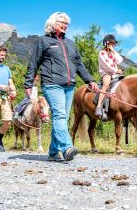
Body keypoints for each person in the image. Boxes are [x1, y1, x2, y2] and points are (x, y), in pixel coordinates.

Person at [24, 12, 98, 162]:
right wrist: (29, 83)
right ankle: (66, 147)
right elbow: (33, 63)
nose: (65, 25)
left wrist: (90, 80)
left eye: (67, 23)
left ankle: (53, 151)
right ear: (52, 23)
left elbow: (79, 65)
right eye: (62, 22)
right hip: (51, 84)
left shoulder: (71, 43)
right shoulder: (43, 41)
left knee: (61, 118)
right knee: (60, 115)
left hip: (69, 85)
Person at [95, 34, 124, 120]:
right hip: (106, 73)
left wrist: (114, 51)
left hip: (115, 74)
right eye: (111, 43)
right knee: (106, 84)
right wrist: (116, 71)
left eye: (113, 44)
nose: (113, 45)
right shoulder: (102, 53)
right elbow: (106, 66)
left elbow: (120, 61)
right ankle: (99, 106)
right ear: (106, 43)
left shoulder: (113, 53)